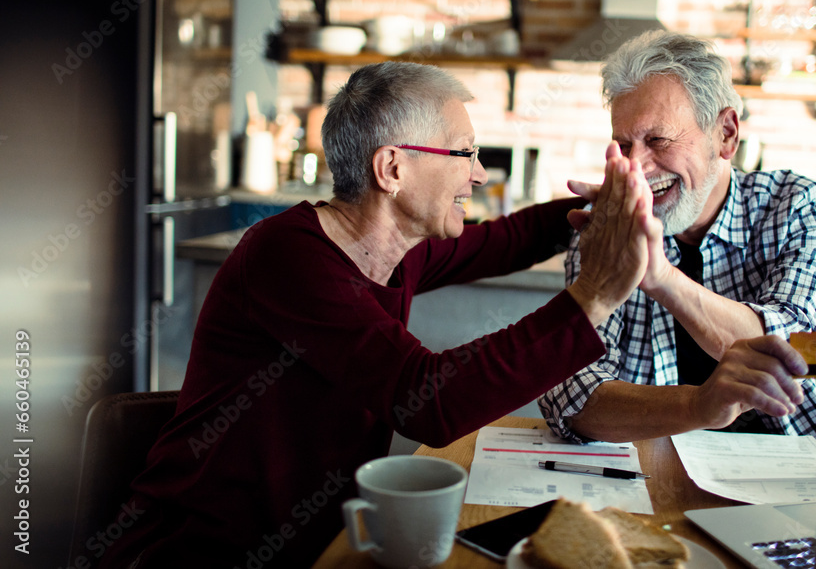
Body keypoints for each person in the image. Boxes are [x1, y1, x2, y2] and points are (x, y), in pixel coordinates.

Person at [100, 62, 656, 568]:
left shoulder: (398, 249)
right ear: (393, 168)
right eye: (465, 153)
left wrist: (610, 202)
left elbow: (509, 237)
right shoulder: (287, 256)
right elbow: (427, 399)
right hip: (201, 553)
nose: (480, 175)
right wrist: (593, 297)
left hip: (319, 543)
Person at [540, 31, 816, 444]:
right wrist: (698, 407)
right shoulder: (608, 224)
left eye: (658, 140)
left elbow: (791, 351)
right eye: (624, 145)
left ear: (726, 134)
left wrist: (658, 276)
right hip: (648, 469)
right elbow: (568, 395)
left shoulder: (799, 205)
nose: (637, 167)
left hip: (782, 465)